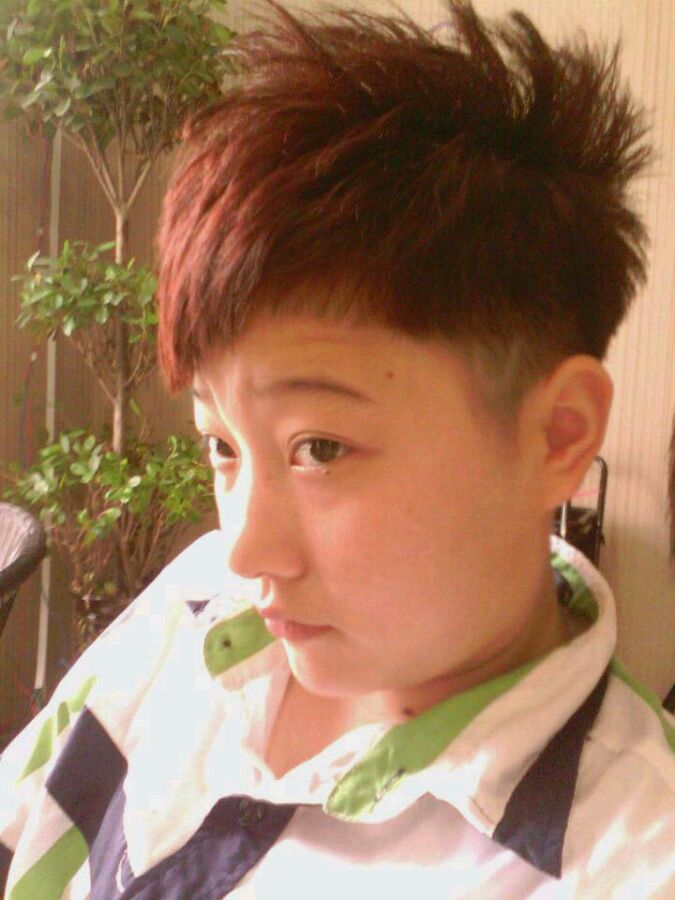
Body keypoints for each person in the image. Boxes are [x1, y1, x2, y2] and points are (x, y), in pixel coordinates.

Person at [2, 1, 674, 896]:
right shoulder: (194, 604)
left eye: (319, 448)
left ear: (557, 434)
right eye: (221, 444)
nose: (245, 548)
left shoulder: (624, 862)